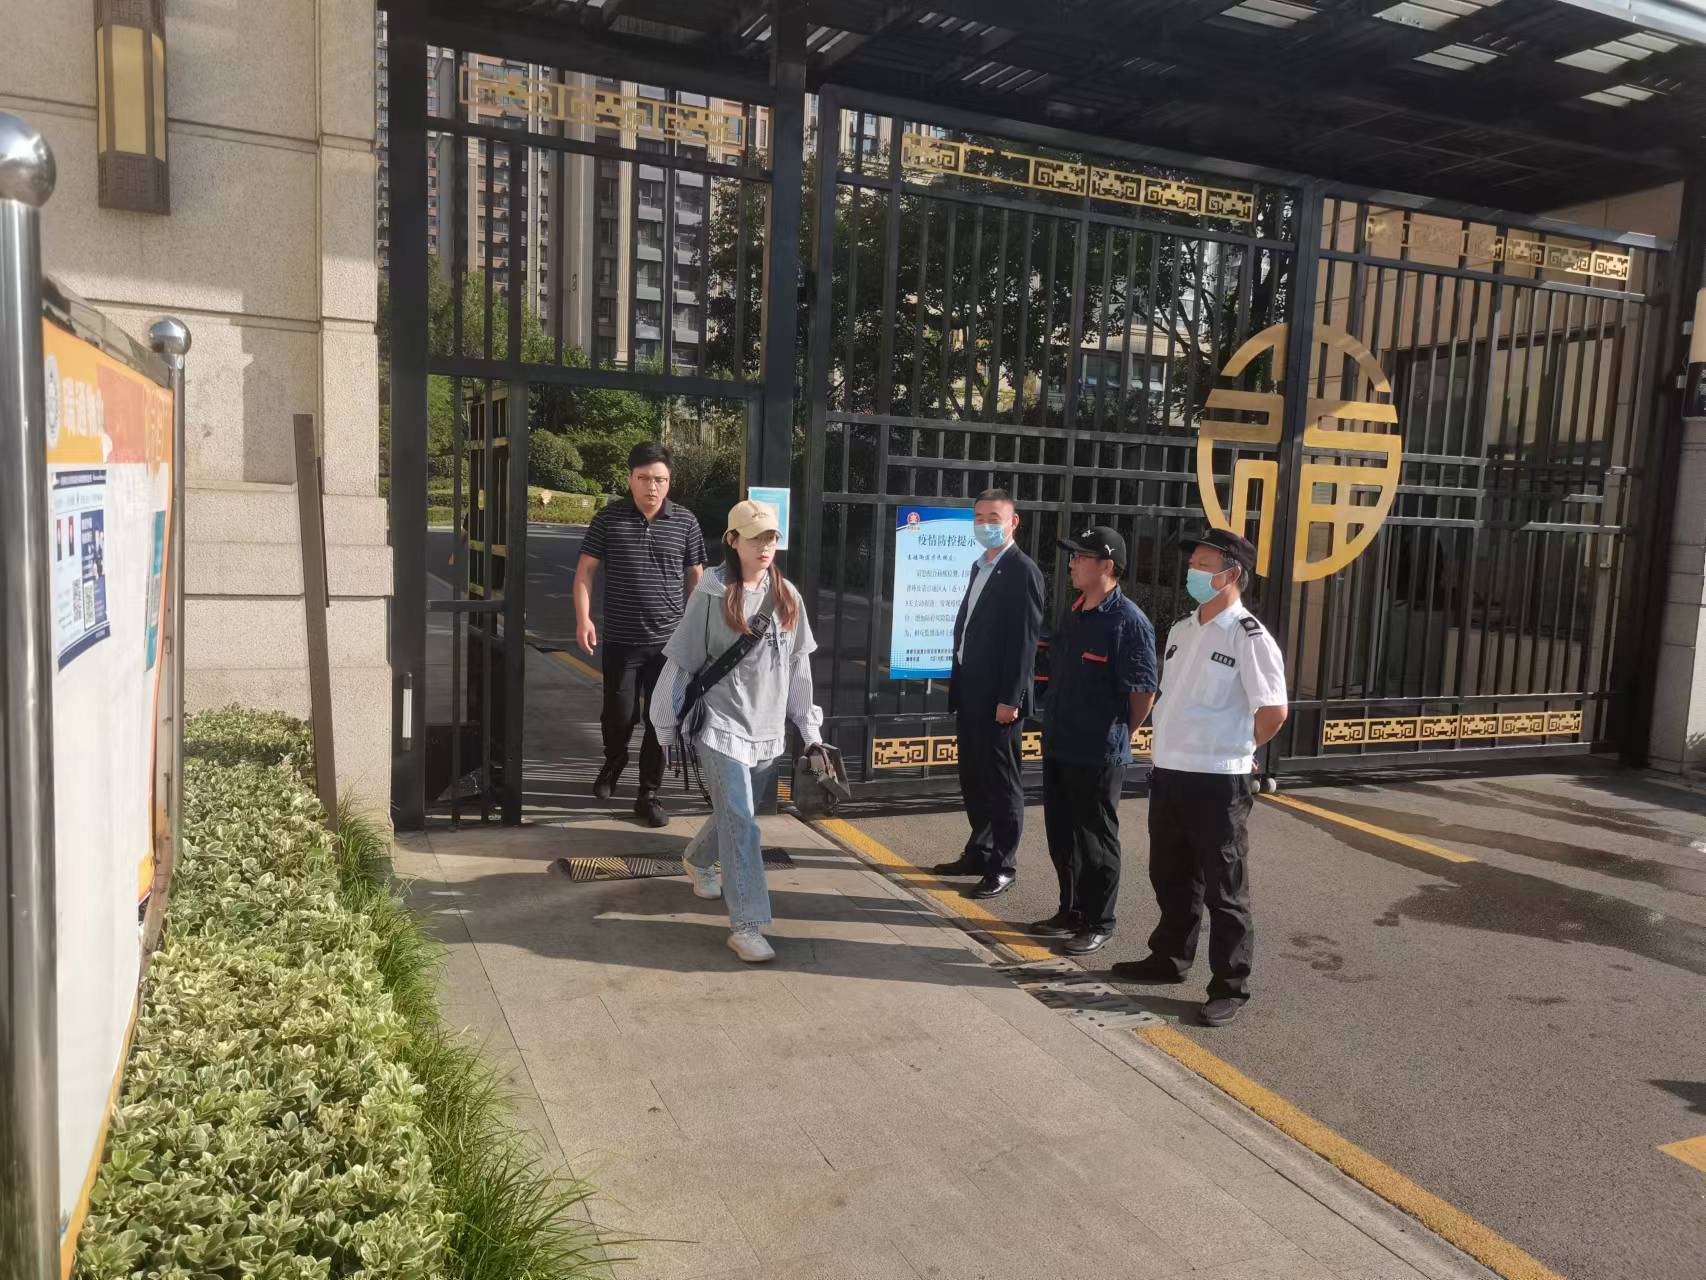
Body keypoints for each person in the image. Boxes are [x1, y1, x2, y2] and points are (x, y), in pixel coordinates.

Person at [1112, 528, 1288, 1027]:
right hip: (1170, 772)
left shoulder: (1248, 636)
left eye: (1203, 564)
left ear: (1231, 574)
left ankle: (1229, 985)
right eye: (1192, 563)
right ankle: (1169, 958)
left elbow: (1273, 710)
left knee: (1224, 888)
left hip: (1217, 780)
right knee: (1171, 874)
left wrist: (1241, 749)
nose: (1193, 571)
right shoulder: (1182, 629)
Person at [651, 500, 825, 963]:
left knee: (735, 815)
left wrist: (809, 730)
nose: (765, 546)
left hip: (767, 732)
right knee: (743, 824)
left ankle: (696, 858)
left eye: (771, 538)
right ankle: (746, 925)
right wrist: (665, 728)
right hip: (719, 726)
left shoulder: (788, 596)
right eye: (755, 538)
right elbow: (681, 663)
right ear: (733, 540)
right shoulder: (711, 593)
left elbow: (799, 669)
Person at [1033, 525, 1157, 957]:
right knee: (1062, 836)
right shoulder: (1076, 611)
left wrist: (1122, 734)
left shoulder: (1128, 622)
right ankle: (1070, 910)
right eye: (1072, 556)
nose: (1072, 563)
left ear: (1108, 565)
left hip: (1097, 751)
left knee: (1096, 840)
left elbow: (1143, 692)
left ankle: (1099, 920)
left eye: (1081, 557)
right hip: (1061, 743)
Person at [574, 441, 707, 828]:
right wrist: (584, 619)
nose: (653, 486)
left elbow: (696, 579)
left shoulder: (685, 522)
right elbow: (585, 572)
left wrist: (696, 630)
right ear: (630, 478)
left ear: (670, 481)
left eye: (660, 479)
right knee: (619, 715)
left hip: (670, 643)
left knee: (661, 720)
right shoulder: (608, 519)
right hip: (621, 639)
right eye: (645, 478)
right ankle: (614, 759)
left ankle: (649, 794)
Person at [930, 489, 1045, 900]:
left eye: (993, 517)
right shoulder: (980, 566)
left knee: (1001, 783)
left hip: (1000, 700)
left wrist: (1010, 699)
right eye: (978, 517)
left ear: (1013, 522)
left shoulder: (1022, 571)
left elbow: (1024, 643)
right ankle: (979, 851)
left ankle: (1003, 864)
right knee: (974, 777)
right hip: (972, 691)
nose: (984, 524)